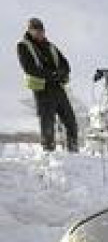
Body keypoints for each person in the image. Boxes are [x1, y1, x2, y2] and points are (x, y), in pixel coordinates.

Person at [16, 18, 78, 152]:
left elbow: (65, 64)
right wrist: (55, 75)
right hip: (42, 90)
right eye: (36, 30)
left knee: (71, 122)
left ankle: (74, 153)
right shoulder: (23, 46)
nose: (39, 33)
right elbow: (29, 68)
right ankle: (49, 155)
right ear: (30, 31)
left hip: (58, 89)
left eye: (41, 30)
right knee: (48, 125)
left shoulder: (51, 46)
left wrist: (62, 73)